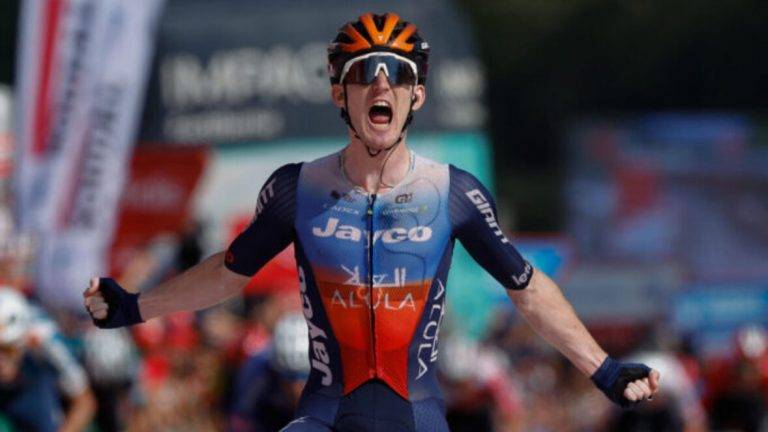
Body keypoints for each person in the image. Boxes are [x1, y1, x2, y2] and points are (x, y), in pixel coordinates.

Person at [84, 12, 660, 431]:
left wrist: (604, 369)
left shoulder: (452, 191)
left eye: (398, 73)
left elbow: (527, 290)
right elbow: (227, 274)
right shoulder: (297, 188)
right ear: (340, 93)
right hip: (324, 414)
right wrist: (135, 307)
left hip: (416, 415)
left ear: (418, 96)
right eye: (365, 72)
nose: (382, 82)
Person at [0, 287, 96, 431]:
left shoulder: (47, 342)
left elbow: (84, 401)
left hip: (34, 387)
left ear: (24, 339)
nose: (1, 360)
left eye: (8, 349)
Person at [229, 311, 313, 432]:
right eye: (289, 377)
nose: (296, 389)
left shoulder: (337, 376)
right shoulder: (257, 372)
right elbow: (240, 419)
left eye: (305, 377)